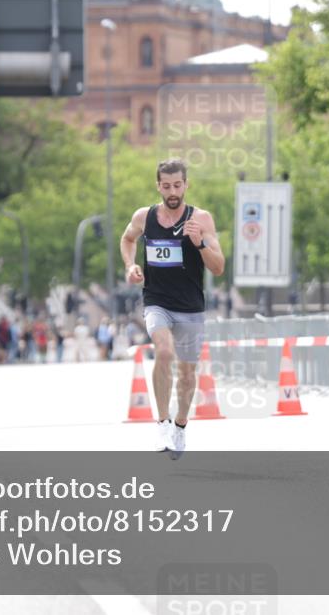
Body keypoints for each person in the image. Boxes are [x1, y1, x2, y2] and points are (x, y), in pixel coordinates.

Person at [121, 158, 225, 458]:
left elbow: (218, 268)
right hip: (157, 301)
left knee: (188, 374)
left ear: (186, 184)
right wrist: (130, 265)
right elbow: (127, 239)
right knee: (164, 352)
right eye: (166, 186)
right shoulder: (144, 217)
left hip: (191, 306)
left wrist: (199, 243)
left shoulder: (201, 220)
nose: (172, 192)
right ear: (158, 186)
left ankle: (180, 426)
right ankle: (163, 423)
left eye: (177, 185)